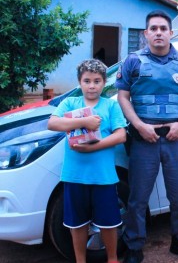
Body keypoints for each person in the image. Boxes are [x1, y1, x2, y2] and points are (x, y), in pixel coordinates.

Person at [115, 10, 178, 263]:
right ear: (145, 34)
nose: (158, 33)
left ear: (171, 32)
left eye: (163, 28)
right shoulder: (133, 62)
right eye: (153, 28)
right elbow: (123, 96)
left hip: (176, 138)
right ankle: (134, 246)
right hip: (145, 139)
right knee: (137, 197)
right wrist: (139, 125)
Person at [47, 59, 127, 263]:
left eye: (97, 81)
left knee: (109, 223)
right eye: (87, 80)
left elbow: (121, 135)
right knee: (77, 223)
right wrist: (84, 122)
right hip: (74, 176)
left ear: (104, 83)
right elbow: (53, 123)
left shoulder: (111, 106)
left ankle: (112, 259)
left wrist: (94, 146)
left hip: (104, 176)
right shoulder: (70, 103)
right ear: (80, 82)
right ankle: (80, 260)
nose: (92, 85)